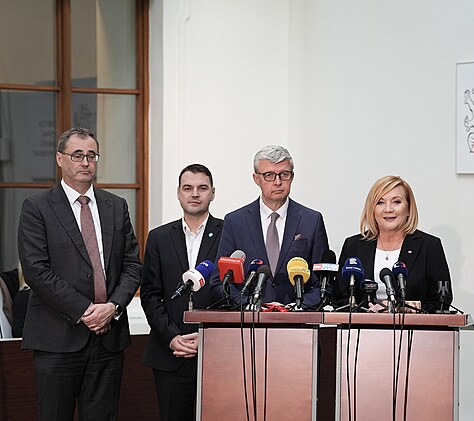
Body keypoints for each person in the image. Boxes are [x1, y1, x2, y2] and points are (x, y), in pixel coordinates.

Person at [18, 127, 142, 421]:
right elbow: (36, 270)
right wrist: (86, 310)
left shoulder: (116, 206)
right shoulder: (37, 207)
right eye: (77, 155)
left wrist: (112, 307)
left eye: (91, 155)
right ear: (59, 159)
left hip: (108, 339)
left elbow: (133, 265)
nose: (85, 162)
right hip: (57, 339)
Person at [140, 164, 223, 421]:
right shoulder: (159, 237)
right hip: (170, 353)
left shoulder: (229, 234)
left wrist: (207, 337)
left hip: (218, 355)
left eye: (202, 188)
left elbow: (234, 295)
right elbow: (150, 295)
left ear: (212, 193)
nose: (195, 194)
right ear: (178, 193)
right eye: (188, 188)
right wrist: (172, 336)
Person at [212, 145, 329, 309]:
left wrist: (297, 307)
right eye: (269, 175)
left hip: (297, 319)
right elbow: (220, 281)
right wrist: (249, 305)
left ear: (292, 176)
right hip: (249, 319)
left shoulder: (311, 221)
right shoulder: (235, 221)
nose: (278, 182)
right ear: (256, 178)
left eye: (284, 174)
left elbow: (323, 283)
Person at [334, 175, 452, 312]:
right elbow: (339, 298)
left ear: (408, 209)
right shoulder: (353, 245)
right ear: (372, 209)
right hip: (363, 325)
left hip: (412, 325)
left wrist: (410, 307)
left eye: (396, 202)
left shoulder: (429, 246)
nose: (388, 209)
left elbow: (442, 302)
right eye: (380, 202)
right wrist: (369, 312)